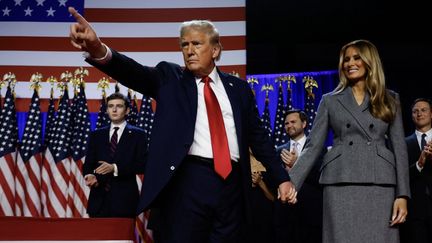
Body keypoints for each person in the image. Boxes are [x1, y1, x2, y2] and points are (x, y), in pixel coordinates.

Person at [68, 7, 297, 242]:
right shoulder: (170, 78)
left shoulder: (238, 89)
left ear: (216, 50)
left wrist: (282, 179)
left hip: (233, 187)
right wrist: (98, 48)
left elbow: (258, 138)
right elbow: (133, 72)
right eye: (184, 45)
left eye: (196, 44)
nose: (189, 51)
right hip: (187, 182)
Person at [288, 39, 410, 243]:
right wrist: (291, 183)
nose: (350, 63)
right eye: (346, 59)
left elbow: (400, 149)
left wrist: (403, 195)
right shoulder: (329, 100)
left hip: (380, 183)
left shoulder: (390, 99)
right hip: (340, 182)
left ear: (370, 61)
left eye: (356, 57)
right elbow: (312, 146)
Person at [83, 92, 148, 218]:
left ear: (127, 110)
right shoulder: (97, 135)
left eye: (119, 106)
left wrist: (115, 168)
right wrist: (89, 175)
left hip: (125, 202)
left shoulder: (138, 135)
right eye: (110, 106)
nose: (114, 109)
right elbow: (88, 163)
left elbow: (142, 165)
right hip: (98, 201)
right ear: (106, 110)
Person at [274, 109, 324, 243]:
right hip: (285, 215)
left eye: (293, 122)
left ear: (304, 124)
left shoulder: (318, 149)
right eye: (286, 123)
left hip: (311, 214)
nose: (289, 125)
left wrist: (297, 164)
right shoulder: (278, 151)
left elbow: (321, 177)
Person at [400, 98, 432, 243]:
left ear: (431, 114)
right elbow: (401, 175)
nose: (419, 113)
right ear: (412, 116)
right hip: (415, 211)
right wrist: (419, 163)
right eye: (415, 111)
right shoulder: (403, 144)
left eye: (424, 110)